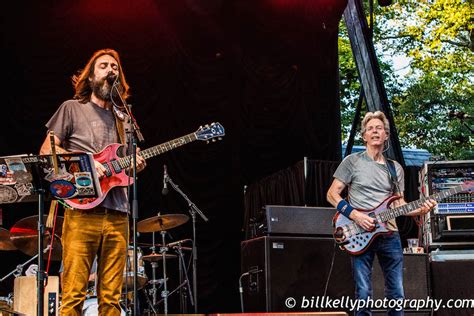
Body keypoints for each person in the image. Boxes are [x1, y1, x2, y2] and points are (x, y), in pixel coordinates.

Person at [40, 48, 146, 315]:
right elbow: (47, 152)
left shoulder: (125, 119)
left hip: (118, 213)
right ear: (90, 77)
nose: (111, 70)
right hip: (81, 210)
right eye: (103, 66)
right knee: (73, 295)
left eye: (115, 67)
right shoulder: (72, 108)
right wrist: (86, 163)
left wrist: (137, 164)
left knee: (111, 299)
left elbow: (129, 162)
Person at [326, 111, 436, 316]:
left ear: (386, 135)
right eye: (370, 129)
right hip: (359, 231)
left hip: (390, 234)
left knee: (397, 292)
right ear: (364, 136)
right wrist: (356, 215)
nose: (374, 131)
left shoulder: (395, 168)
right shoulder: (352, 161)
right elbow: (332, 195)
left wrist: (418, 209)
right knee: (364, 292)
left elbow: (399, 203)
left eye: (379, 128)